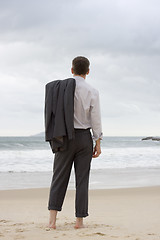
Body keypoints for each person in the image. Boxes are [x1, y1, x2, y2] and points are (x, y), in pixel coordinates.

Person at [47, 56, 103, 229]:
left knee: (59, 178)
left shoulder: (61, 89)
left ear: (71, 70)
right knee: (82, 180)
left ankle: (52, 222)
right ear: (88, 71)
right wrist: (98, 142)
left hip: (64, 137)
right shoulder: (92, 91)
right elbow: (96, 119)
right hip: (84, 138)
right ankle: (79, 221)